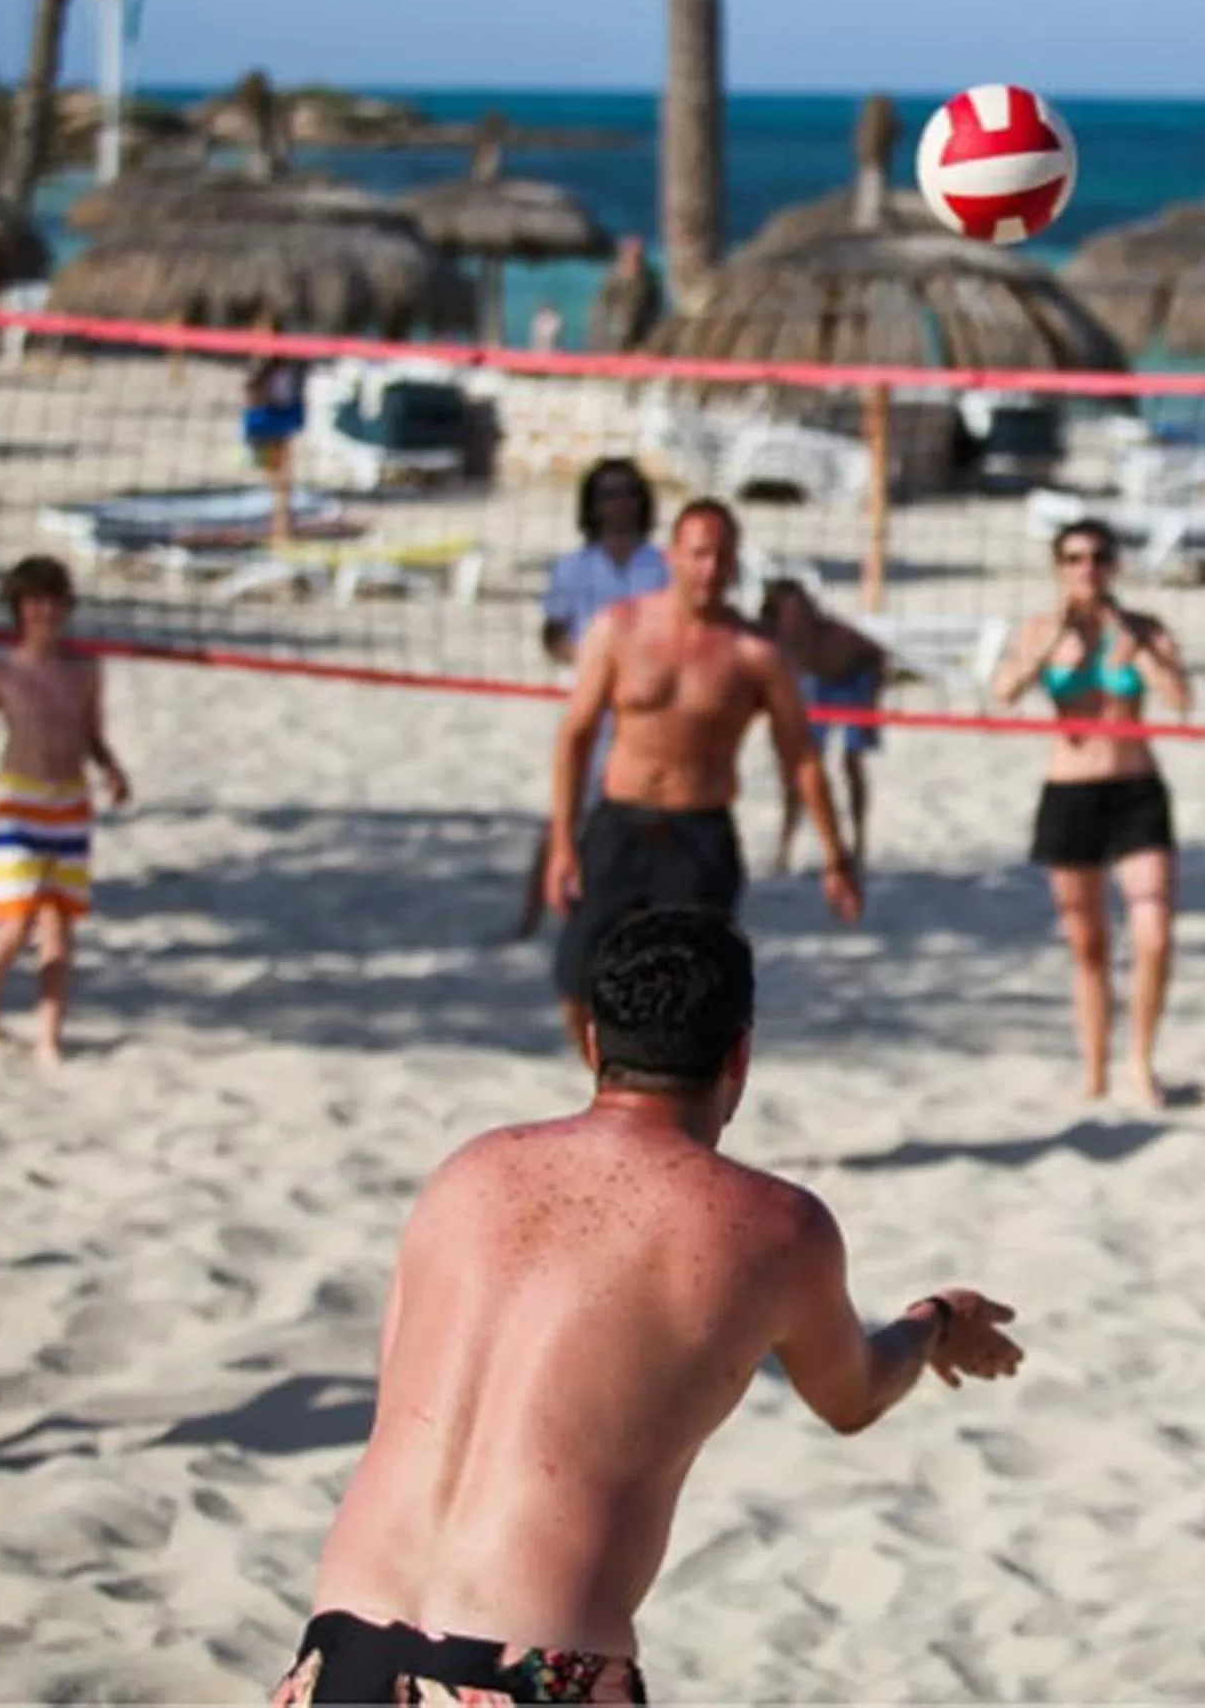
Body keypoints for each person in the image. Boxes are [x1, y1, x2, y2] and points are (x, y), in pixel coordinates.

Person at [275, 907, 1023, 1706]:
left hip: (339, 1651)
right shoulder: (774, 1224)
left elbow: (401, 1392)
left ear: (594, 1042)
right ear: (740, 1051)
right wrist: (936, 1318)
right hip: (536, 1669)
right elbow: (853, 1397)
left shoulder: (466, 1175)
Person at [545, 501, 860, 1064]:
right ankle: (609, 1094)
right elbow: (575, 736)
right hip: (619, 824)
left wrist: (836, 856)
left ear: (736, 563)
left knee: (692, 999)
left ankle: (671, 1116)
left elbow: (803, 758)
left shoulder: (755, 653)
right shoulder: (620, 628)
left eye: (722, 555)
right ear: (672, 557)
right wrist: (563, 844)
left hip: (698, 835)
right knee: (576, 983)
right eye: (698, 554)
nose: (709, 568)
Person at [990, 519, 1192, 1107]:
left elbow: (1183, 699)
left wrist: (1143, 657)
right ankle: (1096, 1070)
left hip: (1136, 790)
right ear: (1060, 567)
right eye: (1075, 558)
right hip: (1070, 793)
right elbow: (1003, 692)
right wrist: (1048, 647)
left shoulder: (1143, 628)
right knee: (1090, 945)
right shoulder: (1041, 629)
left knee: (1154, 933)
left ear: (1114, 565)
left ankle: (1141, 1062)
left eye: (1099, 557)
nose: (1087, 568)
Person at [0, 556, 133, 1064]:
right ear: (18, 608)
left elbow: (90, 733)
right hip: (20, 802)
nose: (45, 611)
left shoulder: (85, 669)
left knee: (61, 923)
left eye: (54, 601)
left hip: (71, 803)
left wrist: (112, 768)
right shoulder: (2, 671)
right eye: (35, 601)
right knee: (17, 922)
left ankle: (48, 1034)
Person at [513, 460, 671, 939]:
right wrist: (584, 657)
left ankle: (647, 916)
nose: (618, 502)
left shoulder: (662, 565)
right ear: (592, 505)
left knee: (652, 813)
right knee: (568, 809)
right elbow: (551, 632)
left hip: (649, 704)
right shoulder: (573, 567)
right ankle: (529, 918)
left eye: (626, 492)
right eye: (607, 494)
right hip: (591, 703)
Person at [759, 579, 888, 879]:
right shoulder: (772, 634)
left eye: (802, 608)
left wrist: (869, 700)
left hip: (857, 678)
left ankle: (858, 844)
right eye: (790, 610)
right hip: (819, 686)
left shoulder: (834, 634)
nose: (797, 616)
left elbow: (878, 656)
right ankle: (785, 847)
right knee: (798, 768)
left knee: (851, 761)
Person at [243, 351, 309, 547]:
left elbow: (252, 395)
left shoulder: (286, 368)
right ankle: (281, 531)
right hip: (267, 427)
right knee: (277, 484)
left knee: (281, 486)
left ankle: (282, 532)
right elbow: (251, 395)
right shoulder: (264, 369)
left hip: (275, 427)